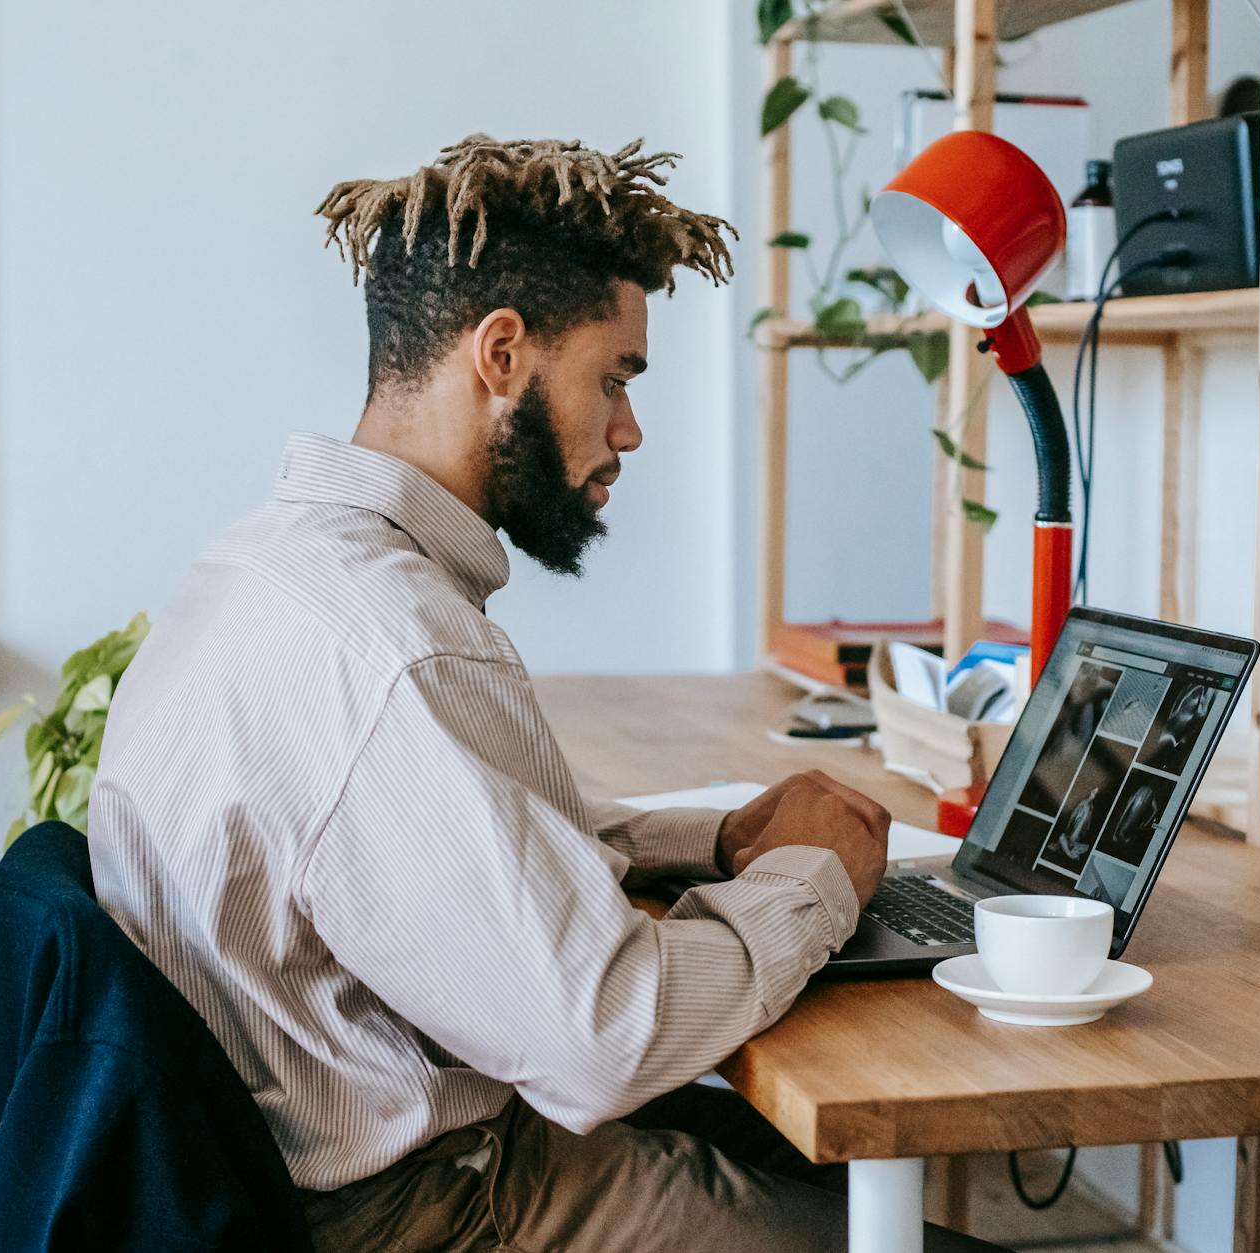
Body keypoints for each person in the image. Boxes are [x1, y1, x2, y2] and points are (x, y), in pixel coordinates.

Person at [87, 134, 1001, 1252]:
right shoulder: (397, 649)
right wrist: (820, 875)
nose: (628, 428)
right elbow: (601, 1035)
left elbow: (447, 857)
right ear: (503, 354)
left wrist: (714, 840)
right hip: (430, 1209)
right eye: (614, 377)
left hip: (334, 1159)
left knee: (838, 1175)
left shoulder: (261, 566)